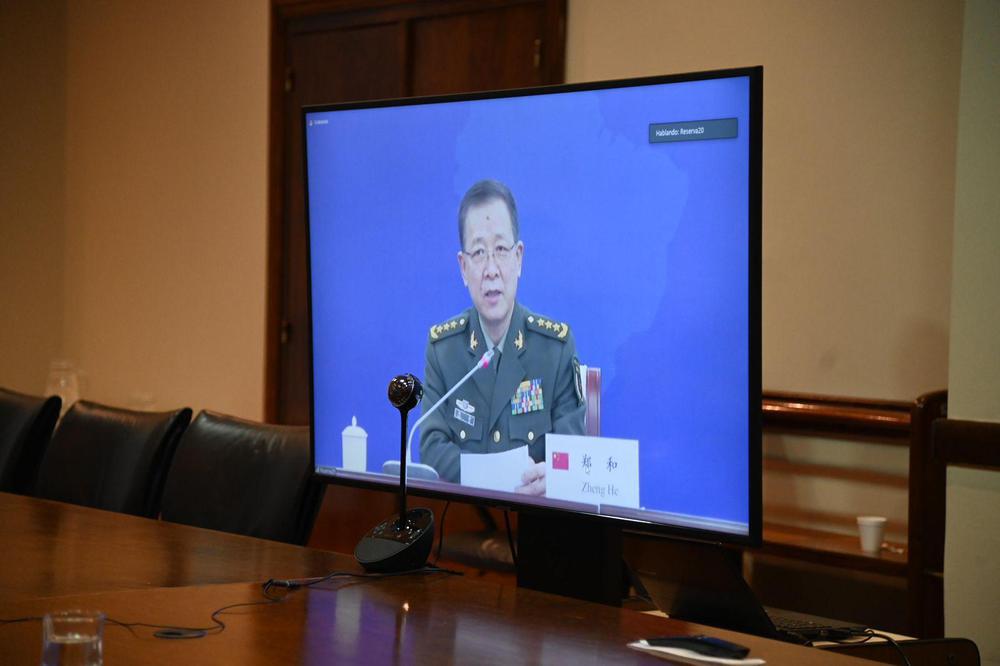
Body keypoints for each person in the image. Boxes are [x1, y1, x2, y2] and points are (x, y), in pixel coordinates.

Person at [419, 179, 585, 495]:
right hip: (465, 517)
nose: (491, 269)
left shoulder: (555, 349)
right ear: (463, 267)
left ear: (518, 258)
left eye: (500, 250)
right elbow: (431, 446)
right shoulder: (444, 350)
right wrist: (491, 479)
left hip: (537, 520)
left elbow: (572, 452)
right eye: (479, 253)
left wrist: (555, 475)